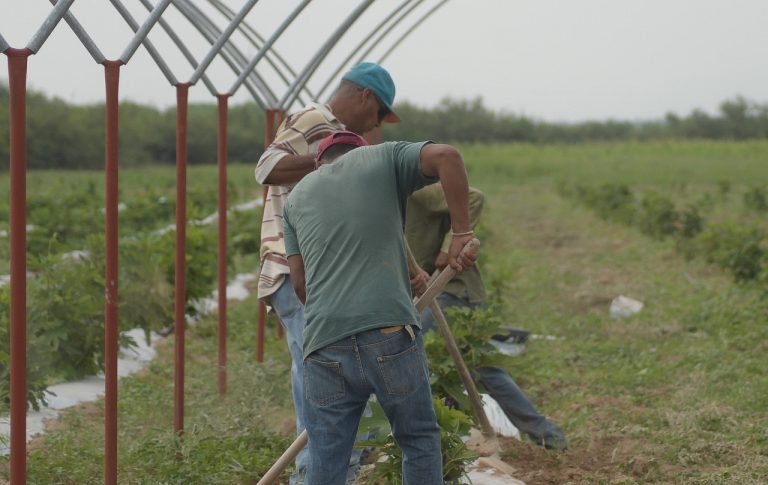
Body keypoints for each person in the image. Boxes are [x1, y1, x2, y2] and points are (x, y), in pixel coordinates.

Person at [283, 131, 477, 485]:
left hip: (323, 344)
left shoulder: (295, 198)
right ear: (360, 152)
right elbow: (448, 156)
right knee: (417, 439)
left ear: (317, 164)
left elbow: (300, 284)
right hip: (388, 332)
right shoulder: (381, 158)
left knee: (328, 453)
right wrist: (461, 234)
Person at [254, 62, 400, 484]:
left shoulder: (346, 138)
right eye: (378, 114)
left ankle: (328, 472)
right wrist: (331, 160)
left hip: (316, 277)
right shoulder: (317, 119)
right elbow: (266, 168)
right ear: (364, 97)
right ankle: (315, 476)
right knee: (325, 385)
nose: (375, 124)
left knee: (324, 380)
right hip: (292, 268)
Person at [406, 183, 568, 451]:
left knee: (405, 359)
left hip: (450, 291)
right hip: (428, 294)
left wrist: (449, 248)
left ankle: (422, 443)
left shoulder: (411, 189)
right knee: (477, 368)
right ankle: (544, 432)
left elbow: (472, 197)